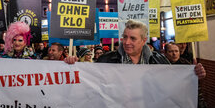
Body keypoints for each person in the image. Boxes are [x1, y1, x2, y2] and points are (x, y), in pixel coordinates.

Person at [65, 20, 206, 79]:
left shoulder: (159, 60)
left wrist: (194, 76)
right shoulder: (106, 59)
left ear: (144, 40)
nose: (126, 42)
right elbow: (90, 81)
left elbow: (174, 83)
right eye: (124, 37)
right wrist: (73, 67)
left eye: (133, 38)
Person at [164, 43, 207, 108]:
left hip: (185, 107)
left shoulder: (187, 66)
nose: (174, 54)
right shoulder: (160, 67)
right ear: (165, 53)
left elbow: (196, 89)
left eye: (176, 51)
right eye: (171, 51)